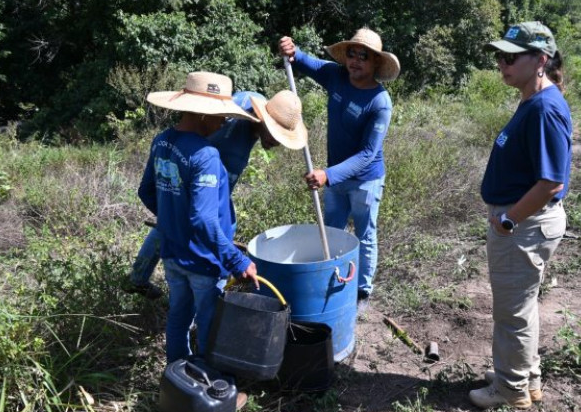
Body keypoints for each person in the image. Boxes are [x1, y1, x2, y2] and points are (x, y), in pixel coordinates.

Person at [469, 21, 572, 409]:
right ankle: (526, 377)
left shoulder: (544, 108)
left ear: (541, 60)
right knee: (521, 307)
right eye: (500, 56)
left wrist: (509, 219)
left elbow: (551, 182)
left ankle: (510, 390)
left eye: (511, 57)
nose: (502, 63)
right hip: (525, 223)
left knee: (511, 312)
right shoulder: (534, 100)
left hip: (523, 225)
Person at [126, 89, 307, 299]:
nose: (276, 143)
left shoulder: (255, 106)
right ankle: (199, 292)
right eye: (275, 135)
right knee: (178, 221)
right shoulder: (228, 130)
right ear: (263, 119)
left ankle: (143, 279)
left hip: (207, 182)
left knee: (183, 220)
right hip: (195, 180)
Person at [137, 71, 267, 365]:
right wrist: (237, 261)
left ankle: (176, 374)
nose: (223, 123)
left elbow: (146, 191)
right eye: (221, 116)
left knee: (178, 316)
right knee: (209, 323)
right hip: (203, 261)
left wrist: (173, 220)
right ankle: (208, 379)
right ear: (204, 114)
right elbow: (204, 220)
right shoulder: (206, 155)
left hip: (173, 254)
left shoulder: (162, 142)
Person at [278, 28, 400, 312]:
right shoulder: (336, 76)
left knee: (364, 235)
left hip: (365, 182)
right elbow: (305, 61)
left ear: (376, 62)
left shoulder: (379, 102)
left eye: (363, 56)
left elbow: (368, 154)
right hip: (333, 179)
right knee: (332, 230)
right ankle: (331, 278)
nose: (355, 61)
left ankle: (362, 291)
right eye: (352, 54)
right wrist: (291, 50)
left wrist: (327, 175)